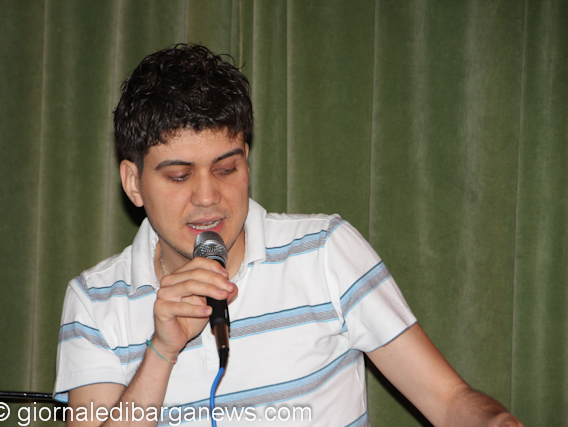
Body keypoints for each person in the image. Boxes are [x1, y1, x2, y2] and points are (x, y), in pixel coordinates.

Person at [54, 44, 524, 427]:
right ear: (133, 183)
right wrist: (161, 352)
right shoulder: (94, 301)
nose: (208, 197)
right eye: (179, 176)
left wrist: (494, 420)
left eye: (226, 168)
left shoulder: (325, 251)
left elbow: (449, 400)